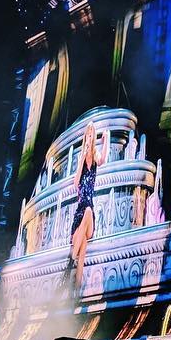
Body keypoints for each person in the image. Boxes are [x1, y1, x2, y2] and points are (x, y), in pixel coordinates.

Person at [69, 121, 106, 293]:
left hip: (89, 211)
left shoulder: (96, 154)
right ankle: (76, 289)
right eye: (88, 133)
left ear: (94, 136)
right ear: (85, 137)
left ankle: (71, 259)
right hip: (80, 212)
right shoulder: (81, 157)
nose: (90, 135)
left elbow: (103, 160)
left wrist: (106, 141)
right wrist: (82, 159)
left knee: (89, 210)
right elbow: (76, 182)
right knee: (82, 245)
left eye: (92, 133)